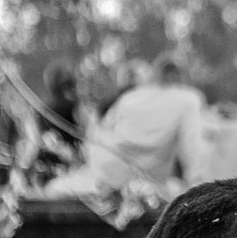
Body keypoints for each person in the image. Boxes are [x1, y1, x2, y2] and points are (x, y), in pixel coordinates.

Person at [41, 54, 207, 199]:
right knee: (172, 190)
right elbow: (192, 151)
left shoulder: (130, 97)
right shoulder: (190, 99)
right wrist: (198, 190)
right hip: (128, 177)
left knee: (57, 187)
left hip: (103, 164)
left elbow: (96, 135)